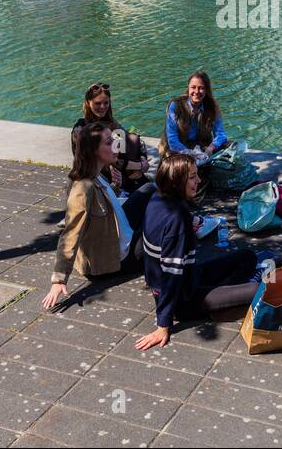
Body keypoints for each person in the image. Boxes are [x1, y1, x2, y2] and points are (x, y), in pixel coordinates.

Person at [135, 155, 261, 350]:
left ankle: (221, 295)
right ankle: (219, 301)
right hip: (183, 299)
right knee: (260, 290)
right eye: (193, 177)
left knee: (247, 257)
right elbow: (171, 275)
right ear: (177, 181)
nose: (199, 181)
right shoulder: (177, 220)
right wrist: (163, 324)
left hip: (189, 276)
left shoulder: (157, 196)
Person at [41, 121, 144, 310]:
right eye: (108, 142)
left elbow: (102, 203)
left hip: (117, 233)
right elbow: (71, 232)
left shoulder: (96, 174)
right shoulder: (82, 186)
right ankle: (193, 227)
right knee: (161, 234)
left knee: (149, 189)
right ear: (93, 150)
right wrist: (59, 279)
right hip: (116, 257)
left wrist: (115, 187)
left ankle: (192, 224)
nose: (115, 144)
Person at [70, 82, 149, 192]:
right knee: (148, 191)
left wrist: (143, 159)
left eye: (106, 103)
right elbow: (110, 160)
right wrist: (139, 166)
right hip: (101, 179)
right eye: (98, 103)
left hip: (124, 173)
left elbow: (130, 142)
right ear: (88, 103)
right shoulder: (81, 130)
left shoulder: (111, 123)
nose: (102, 107)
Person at [162, 70, 228, 157]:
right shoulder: (176, 105)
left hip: (202, 148)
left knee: (231, 146)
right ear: (188, 88)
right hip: (179, 150)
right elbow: (172, 141)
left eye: (201, 88)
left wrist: (211, 148)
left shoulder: (212, 107)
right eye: (193, 87)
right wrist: (191, 154)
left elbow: (221, 135)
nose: (196, 91)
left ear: (206, 90)